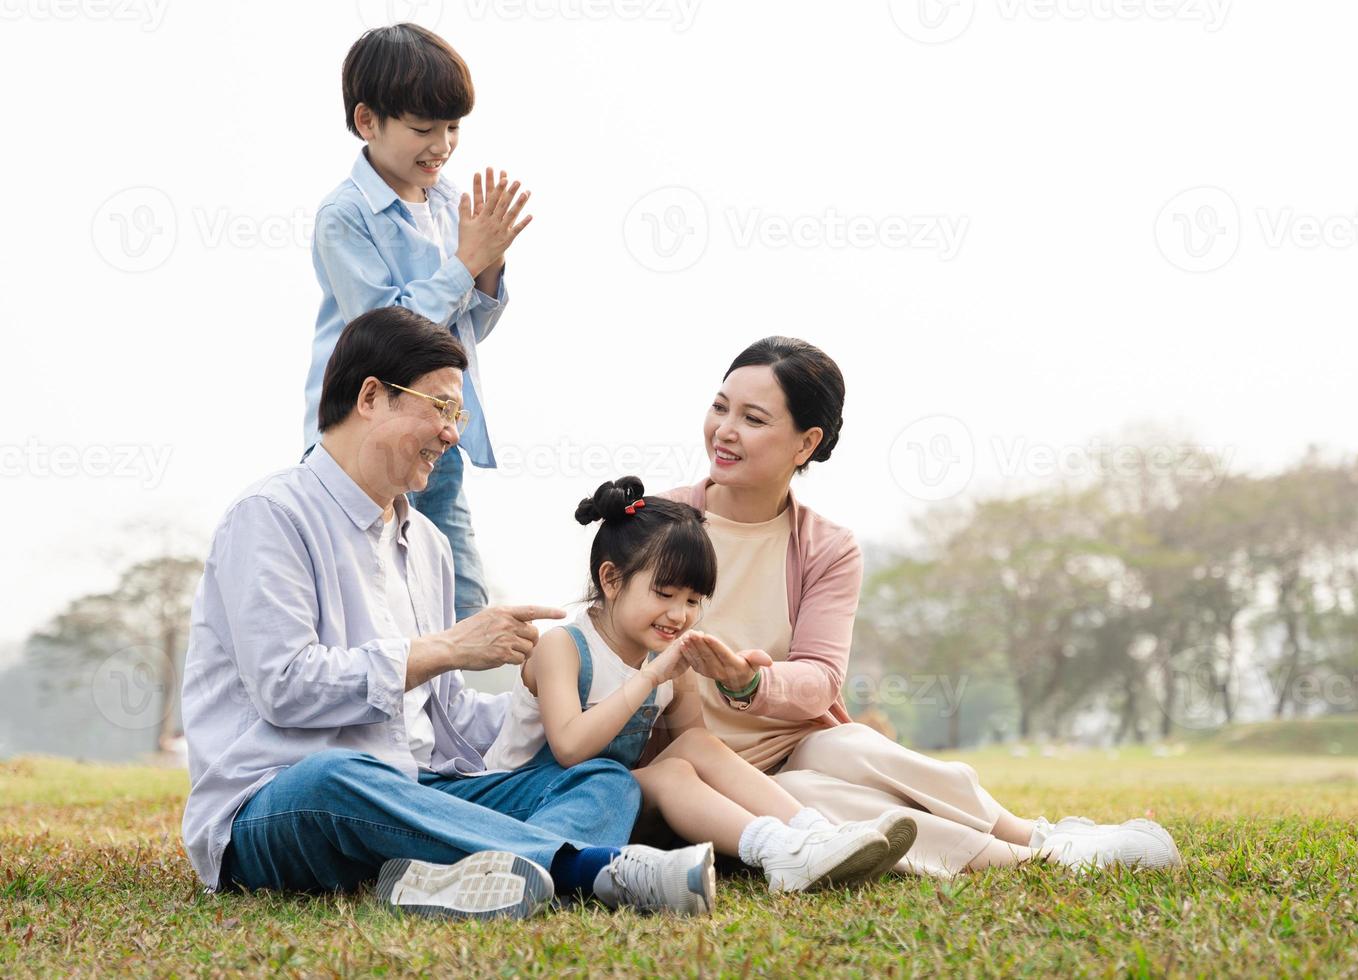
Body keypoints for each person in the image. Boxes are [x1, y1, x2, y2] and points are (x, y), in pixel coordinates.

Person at [181, 308, 715, 920]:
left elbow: (446, 716)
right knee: (337, 774)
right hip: (279, 803)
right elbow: (284, 687)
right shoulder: (271, 516)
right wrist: (448, 648)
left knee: (598, 779)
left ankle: (454, 880)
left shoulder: (427, 544)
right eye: (440, 408)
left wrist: (566, 697)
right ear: (372, 397)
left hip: (419, 788)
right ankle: (585, 869)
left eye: (457, 415)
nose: (452, 434)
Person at [662, 337, 1183, 874]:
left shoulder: (826, 546)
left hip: (792, 742)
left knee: (848, 747)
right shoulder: (661, 523)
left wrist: (751, 685)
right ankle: (1034, 859)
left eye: (752, 418)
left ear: (805, 443)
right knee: (816, 798)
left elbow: (820, 678)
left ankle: (1036, 834)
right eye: (720, 406)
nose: (724, 430)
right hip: (704, 766)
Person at [481, 476, 921, 892]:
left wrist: (733, 679)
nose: (680, 614)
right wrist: (651, 676)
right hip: (528, 808)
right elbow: (570, 749)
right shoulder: (564, 647)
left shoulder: (665, 654)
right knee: (668, 772)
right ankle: (778, 852)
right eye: (665, 594)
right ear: (611, 580)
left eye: (693, 600)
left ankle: (815, 834)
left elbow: (695, 743)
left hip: (608, 805)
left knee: (695, 746)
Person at [302, 23, 532, 622]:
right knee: (366, 602)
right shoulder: (344, 216)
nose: (443, 145)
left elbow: (465, 335)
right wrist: (465, 262)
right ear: (367, 121)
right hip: (364, 438)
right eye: (424, 129)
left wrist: (489, 267)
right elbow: (381, 334)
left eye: (453, 128)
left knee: (458, 603)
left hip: (438, 431)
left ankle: (443, 715)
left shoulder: (448, 201)